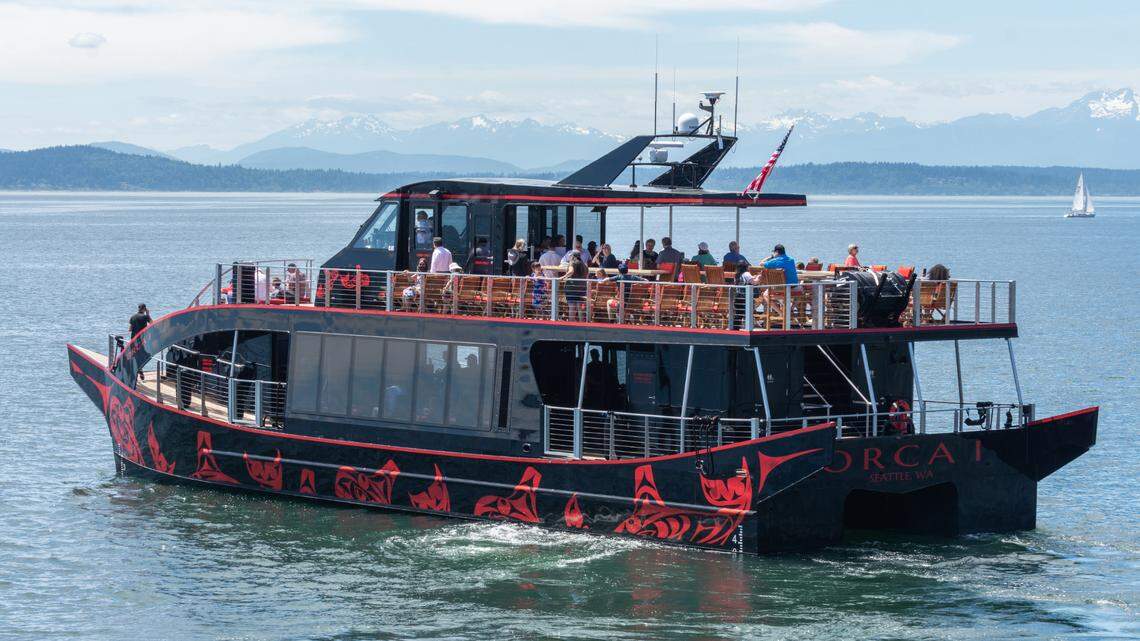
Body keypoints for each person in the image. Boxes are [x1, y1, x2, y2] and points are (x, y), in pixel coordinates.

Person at [560, 254, 590, 321]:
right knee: (580, 307)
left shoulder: (572, 263)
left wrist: (563, 277)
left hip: (571, 288)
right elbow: (587, 276)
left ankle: (571, 323)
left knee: (572, 307)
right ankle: (582, 323)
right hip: (582, 288)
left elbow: (571, 271)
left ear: (573, 257)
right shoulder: (585, 265)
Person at [129, 304, 151, 380]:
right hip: (141, 340)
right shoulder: (145, 317)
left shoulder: (133, 317)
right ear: (144, 309)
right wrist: (148, 314)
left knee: (135, 356)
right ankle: (140, 370)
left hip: (133, 340)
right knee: (144, 355)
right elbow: (152, 323)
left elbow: (130, 329)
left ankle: (137, 371)